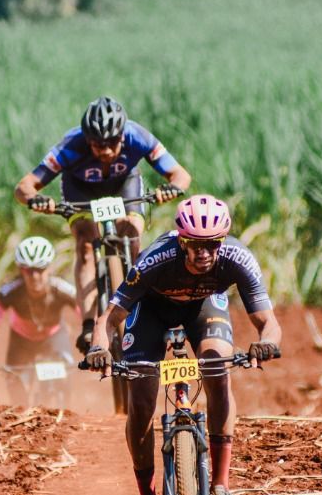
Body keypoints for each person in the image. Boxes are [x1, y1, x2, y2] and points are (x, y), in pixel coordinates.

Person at [83, 194, 282, 495]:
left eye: (211, 245)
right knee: (141, 400)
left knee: (217, 370)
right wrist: (98, 348)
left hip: (204, 309)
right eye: (194, 245)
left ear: (221, 243)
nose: (203, 253)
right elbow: (109, 318)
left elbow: (268, 322)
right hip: (151, 311)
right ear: (181, 241)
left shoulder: (238, 259)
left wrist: (266, 342)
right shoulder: (155, 260)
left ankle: (220, 487)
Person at [13, 96, 192, 351]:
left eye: (111, 143)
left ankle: (142, 305)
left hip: (125, 187)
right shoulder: (69, 145)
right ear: (87, 140)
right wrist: (38, 200)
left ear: (122, 135)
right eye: (97, 145)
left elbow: (181, 175)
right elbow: (24, 187)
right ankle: (88, 325)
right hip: (81, 192)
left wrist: (170, 189)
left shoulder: (137, 136)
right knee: (85, 246)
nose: (105, 151)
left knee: (130, 235)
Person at [0, 236, 81, 404]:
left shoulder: (64, 290)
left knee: (64, 378)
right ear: (20, 270)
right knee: (16, 391)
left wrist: (94, 343)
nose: (35, 276)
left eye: (41, 269)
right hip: (21, 340)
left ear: (50, 268)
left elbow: (90, 318)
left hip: (54, 336)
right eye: (28, 270)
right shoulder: (8, 293)